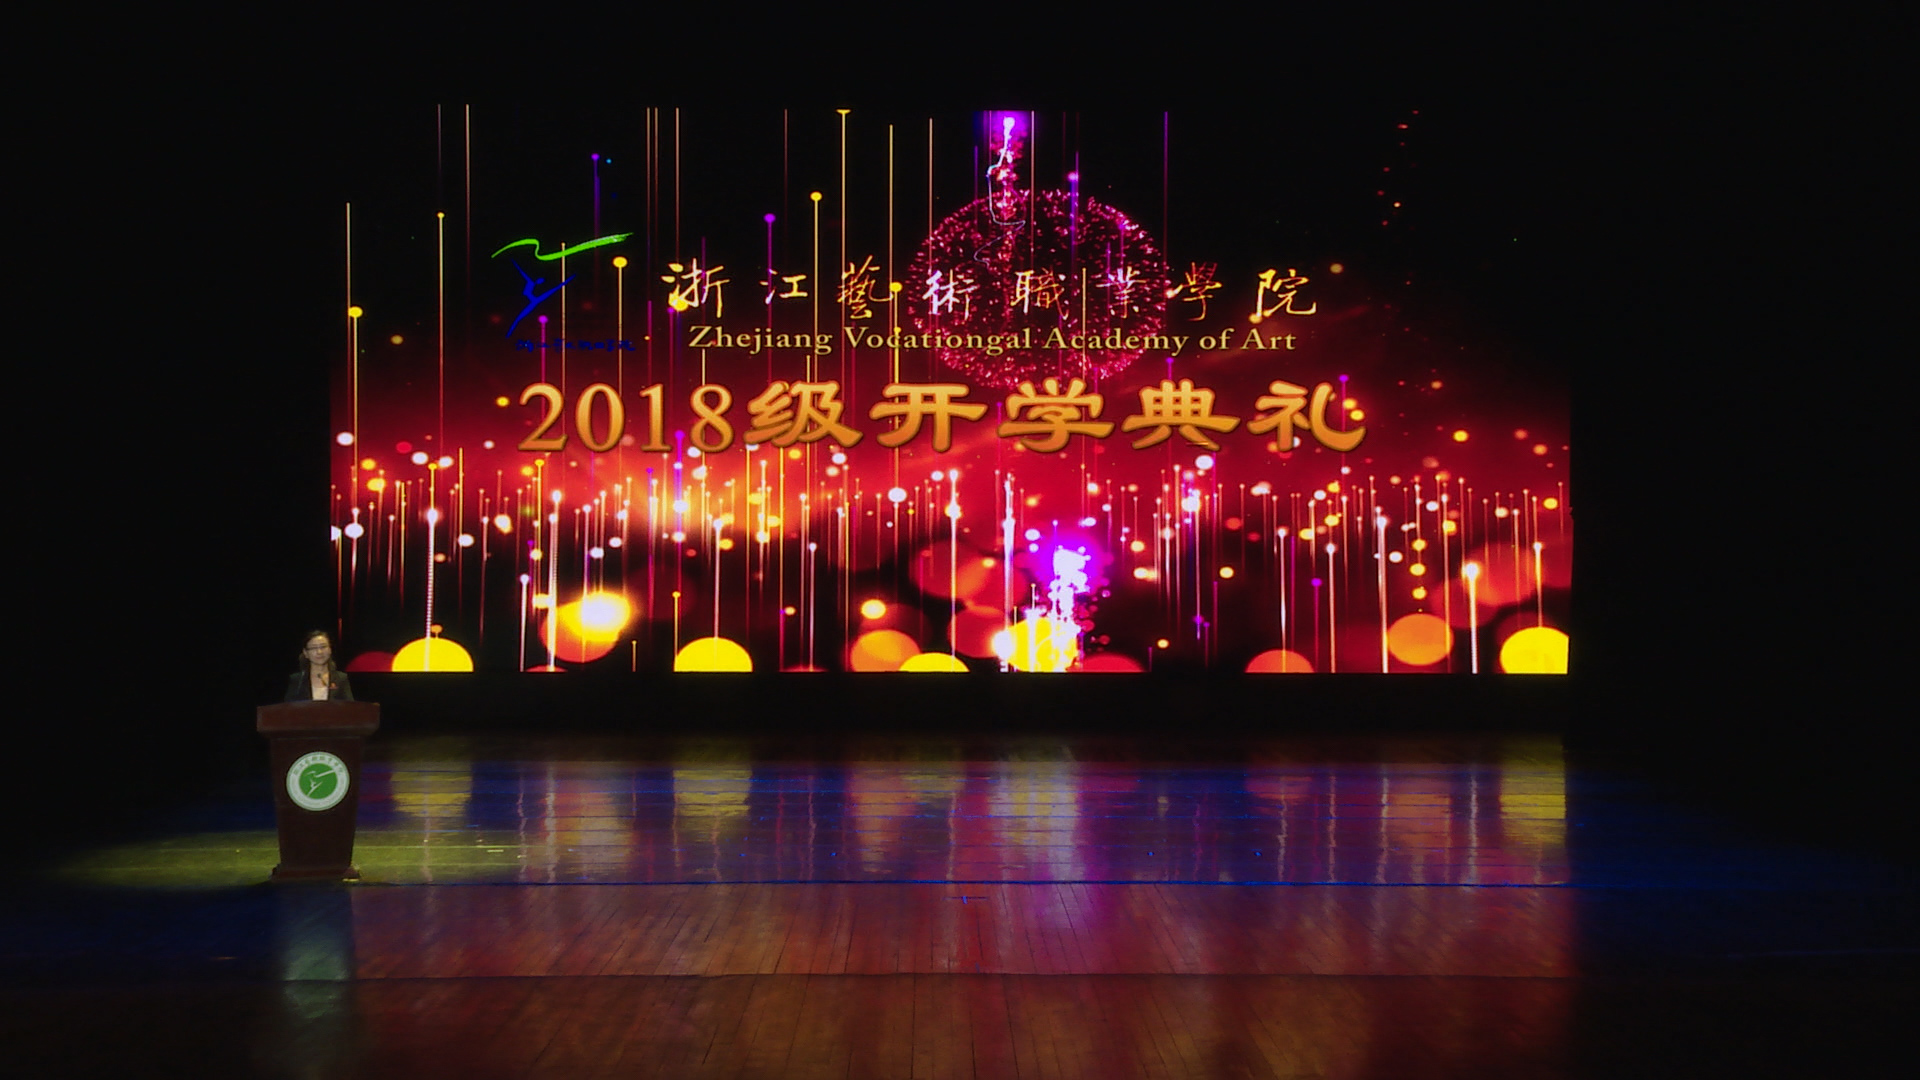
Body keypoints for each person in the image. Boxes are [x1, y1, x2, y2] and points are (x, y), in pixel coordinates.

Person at [286, 630, 354, 702]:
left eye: (323, 647)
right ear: (305, 653)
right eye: (314, 648)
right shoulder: (298, 680)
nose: (319, 652)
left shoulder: (341, 678)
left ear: (330, 650)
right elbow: (288, 706)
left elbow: (350, 706)